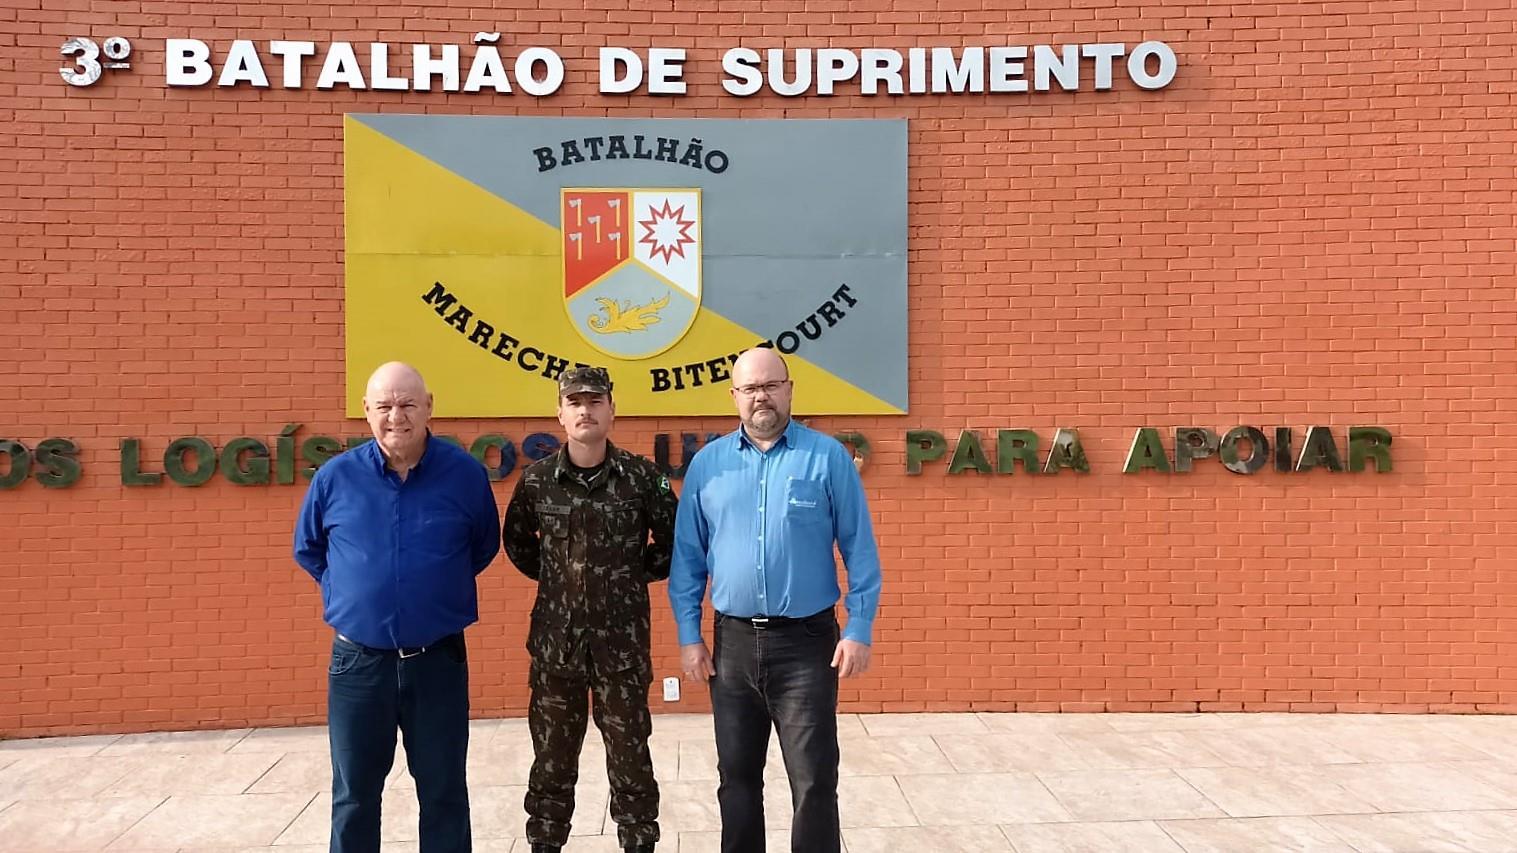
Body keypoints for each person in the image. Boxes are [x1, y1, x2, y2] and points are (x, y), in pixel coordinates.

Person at [669, 348, 883, 853]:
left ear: (789, 390)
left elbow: (860, 548)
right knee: (737, 779)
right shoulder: (708, 465)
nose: (761, 396)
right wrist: (688, 635)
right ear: (735, 397)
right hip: (734, 644)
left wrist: (859, 627)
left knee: (813, 779)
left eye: (770, 385)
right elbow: (687, 559)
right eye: (750, 388)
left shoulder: (827, 457)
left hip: (808, 646)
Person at [293, 362, 501, 853]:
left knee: (444, 792)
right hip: (358, 665)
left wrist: (430, 588)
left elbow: (483, 546)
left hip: (439, 662)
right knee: (355, 796)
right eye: (384, 406)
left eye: (408, 404)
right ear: (366, 411)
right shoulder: (335, 477)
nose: (396, 416)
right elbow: (310, 548)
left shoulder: (464, 474)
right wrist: (352, 592)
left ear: (430, 407)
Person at [502, 366, 677, 853]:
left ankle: (639, 844)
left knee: (631, 764)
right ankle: (545, 845)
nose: (585, 410)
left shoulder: (643, 478)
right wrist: (562, 582)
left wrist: (625, 578)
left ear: (612, 410)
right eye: (575, 402)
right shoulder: (537, 482)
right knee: (552, 765)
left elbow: (672, 542)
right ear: (559, 413)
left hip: (621, 651)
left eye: (595, 401)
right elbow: (518, 544)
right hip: (557, 652)